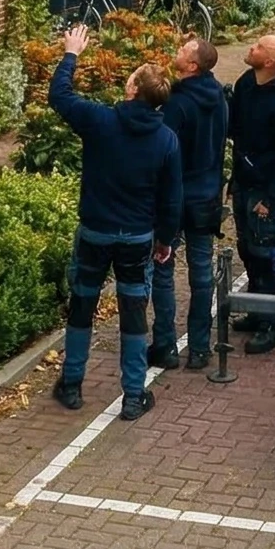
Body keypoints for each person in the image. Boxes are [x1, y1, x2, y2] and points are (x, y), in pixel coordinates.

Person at [47, 25, 181, 420]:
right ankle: (134, 395)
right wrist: (165, 239)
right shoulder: (166, 140)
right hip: (137, 237)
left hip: (96, 230)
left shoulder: (100, 121)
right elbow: (171, 198)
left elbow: (60, 96)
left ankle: (72, 383)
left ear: (132, 89)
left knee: (83, 304)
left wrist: (71, 53)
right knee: (134, 313)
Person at [151, 35, 228, 371]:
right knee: (201, 273)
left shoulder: (176, 104)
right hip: (207, 196)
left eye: (183, 51)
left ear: (193, 65)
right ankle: (199, 348)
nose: (177, 51)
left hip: (176, 198)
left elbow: (163, 151)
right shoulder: (220, 97)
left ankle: (166, 345)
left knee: (163, 269)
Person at [226, 33, 275, 354]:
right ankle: (258, 310)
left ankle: (273, 325)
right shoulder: (246, 83)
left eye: (259, 47)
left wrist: (271, 200)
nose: (251, 47)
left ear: (270, 62)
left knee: (266, 254)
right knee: (247, 249)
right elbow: (234, 127)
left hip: (264, 191)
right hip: (244, 183)